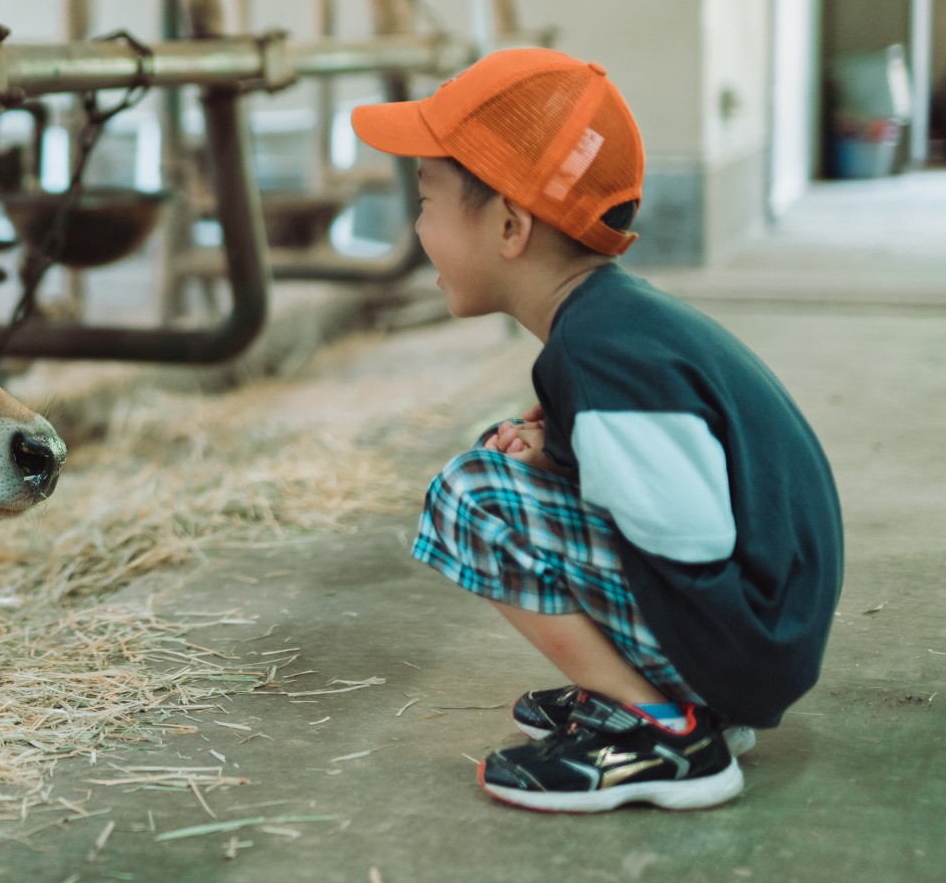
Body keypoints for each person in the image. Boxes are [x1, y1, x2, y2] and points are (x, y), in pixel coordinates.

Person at [350, 47, 843, 813]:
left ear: (510, 225)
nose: (417, 228)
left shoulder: (604, 356)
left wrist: (574, 473)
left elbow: (691, 538)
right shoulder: (615, 324)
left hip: (748, 641)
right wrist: (564, 456)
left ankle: (662, 728)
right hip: (758, 625)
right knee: (503, 474)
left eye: (427, 202)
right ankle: (662, 697)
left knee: (471, 497)